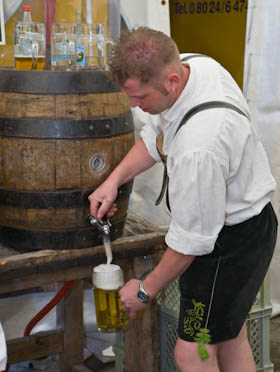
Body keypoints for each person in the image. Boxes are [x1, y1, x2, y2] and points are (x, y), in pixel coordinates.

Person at [88, 27, 277, 372]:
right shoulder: (196, 66)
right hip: (243, 228)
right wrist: (114, 180)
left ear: (171, 82)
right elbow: (157, 136)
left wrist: (144, 290)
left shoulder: (199, 149)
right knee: (229, 335)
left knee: (194, 351)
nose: (134, 105)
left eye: (140, 98)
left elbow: (192, 241)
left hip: (229, 249)